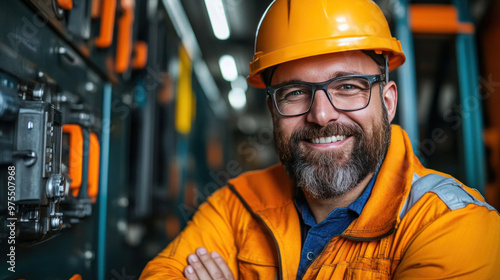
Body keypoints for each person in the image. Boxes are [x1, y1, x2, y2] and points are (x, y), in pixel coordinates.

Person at [140, 0, 500, 279]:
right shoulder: (237, 204)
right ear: (272, 110)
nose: (322, 115)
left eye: (347, 87)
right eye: (295, 92)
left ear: (388, 102)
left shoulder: (454, 224)